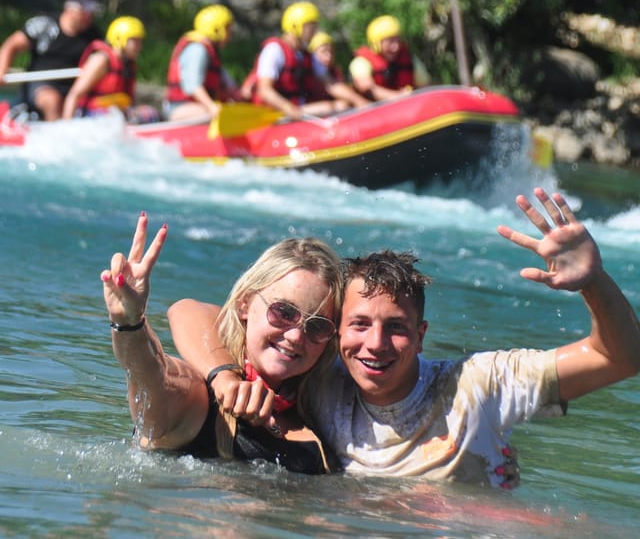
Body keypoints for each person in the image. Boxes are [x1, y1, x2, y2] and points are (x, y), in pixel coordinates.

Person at [167, 188, 640, 487]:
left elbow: (618, 358)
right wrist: (224, 375)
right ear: (334, 335)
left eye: (395, 328)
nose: (374, 344)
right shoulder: (324, 382)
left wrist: (594, 283)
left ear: (420, 336)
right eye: (359, 325)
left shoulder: (479, 385)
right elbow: (191, 310)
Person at [101, 212, 343, 474]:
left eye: (317, 326)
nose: (296, 336)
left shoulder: (320, 415)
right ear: (244, 305)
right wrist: (130, 324)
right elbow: (154, 376)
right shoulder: (201, 399)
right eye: (283, 312)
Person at [241, 2, 368, 119]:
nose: (314, 32)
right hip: (274, 112)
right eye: (310, 27)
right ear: (295, 26)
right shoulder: (274, 50)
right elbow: (265, 90)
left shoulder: (305, 55)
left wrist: (359, 101)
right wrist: (289, 109)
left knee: (342, 105)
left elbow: (331, 84)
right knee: (333, 107)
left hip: (298, 108)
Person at [0, 0, 102, 121]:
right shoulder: (45, 25)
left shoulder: (94, 36)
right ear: (70, 9)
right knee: (52, 101)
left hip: (75, 88)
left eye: (91, 12)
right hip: (40, 85)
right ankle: (57, 136)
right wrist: (2, 70)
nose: (89, 16)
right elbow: (11, 46)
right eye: (85, 11)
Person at [61, 16, 157, 124]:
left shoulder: (128, 65)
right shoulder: (101, 60)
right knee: (121, 118)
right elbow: (74, 95)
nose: (139, 46)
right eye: (134, 41)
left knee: (150, 114)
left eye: (140, 41)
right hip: (90, 114)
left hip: (114, 113)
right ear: (119, 39)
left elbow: (128, 101)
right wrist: (66, 126)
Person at [163, 5, 241, 122]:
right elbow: (192, 86)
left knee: (233, 109)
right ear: (217, 29)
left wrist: (241, 98)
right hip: (179, 108)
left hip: (196, 106)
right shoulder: (197, 49)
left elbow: (229, 86)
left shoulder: (212, 53)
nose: (230, 33)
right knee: (224, 113)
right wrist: (211, 106)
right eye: (228, 28)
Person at [349, 15, 429, 101]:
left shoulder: (410, 60)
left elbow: (426, 87)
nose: (396, 47)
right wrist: (400, 96)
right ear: (376, 44)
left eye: (398, 40)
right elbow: (366, 88)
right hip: (373, 109)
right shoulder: (361, 62)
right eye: (390, 42)